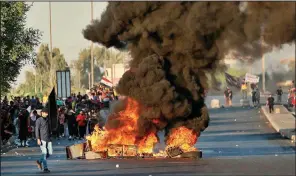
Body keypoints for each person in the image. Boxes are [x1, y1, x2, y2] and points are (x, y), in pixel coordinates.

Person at [35, 108, 52, 173]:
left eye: (47, 113)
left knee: (49, 153)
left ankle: (39, 161)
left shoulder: (48, 119)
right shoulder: (39, 120)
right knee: (44, 154)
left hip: (48, 138)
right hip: (42, 139)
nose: (47, 114)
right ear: (42, 113)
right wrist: (38, 138)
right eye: (46, 113)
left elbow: (49, 129)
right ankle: (45, 168)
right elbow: (37, 130)